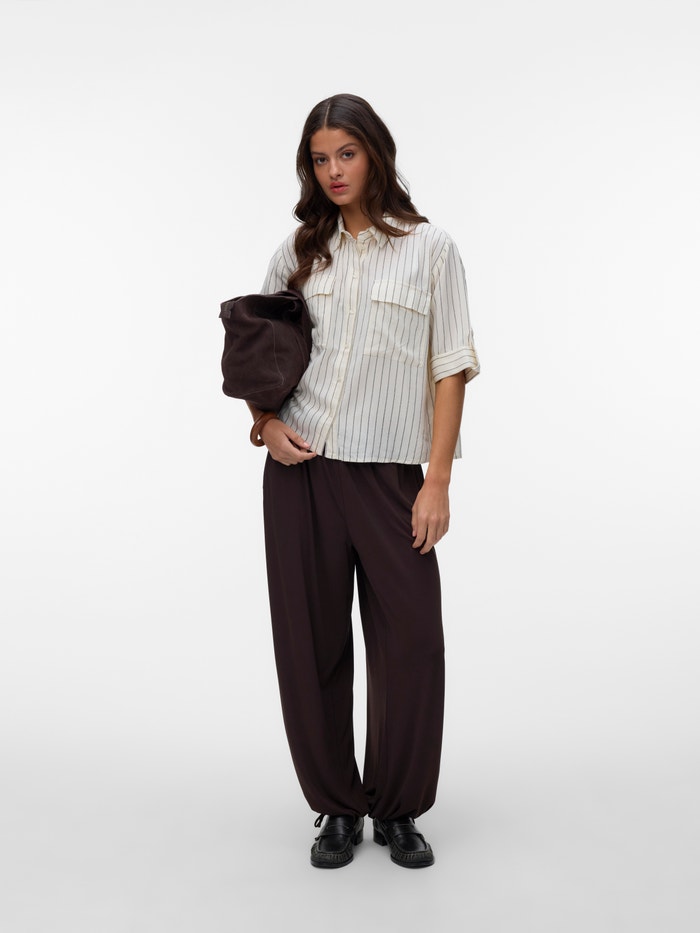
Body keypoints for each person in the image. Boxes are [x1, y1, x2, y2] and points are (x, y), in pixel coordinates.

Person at [246, 93, 480, 869]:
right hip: (302, 474)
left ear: (376, 153)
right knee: (310, 644)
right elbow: (255, 350)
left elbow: (451, 367)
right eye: (320, 158)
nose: (334, 171)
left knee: (412, 641)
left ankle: (399, 806)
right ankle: (338, 808)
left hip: (390, 477)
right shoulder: (299, 251)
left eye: (346, 153)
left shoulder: (431, 248)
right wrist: (265, 424)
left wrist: (437, 480)